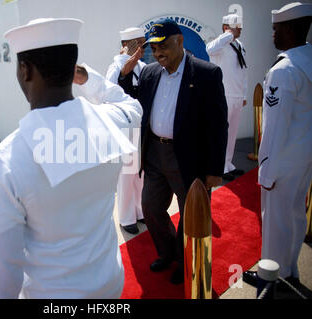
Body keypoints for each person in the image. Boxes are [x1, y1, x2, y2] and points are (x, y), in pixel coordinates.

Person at [0, 18, 143, 298]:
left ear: (25, 70)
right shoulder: (110, 120)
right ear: (73, 68)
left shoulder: (3, 164)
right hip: (110, 285)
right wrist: (88, 78)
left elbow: (0, 275)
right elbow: (132, 107)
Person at [138, 18, 228, 284]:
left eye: (163, 46)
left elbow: (218, 125)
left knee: (191, 215)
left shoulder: (206, 74)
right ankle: (167, 252)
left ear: (180, 40)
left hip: (189, 157)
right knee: (151, 207)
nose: (157, 53)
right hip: (154, 153)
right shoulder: (149, 73)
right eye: (153, 48)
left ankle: (185, 258)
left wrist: (214, 170)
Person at [242, 2, 312, 290]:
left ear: (291, 29)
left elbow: (274, 128)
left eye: (276, 29)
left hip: (282, 161)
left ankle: (271, 277)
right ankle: (290, 268)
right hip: (303, 157)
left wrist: (266, 171)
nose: (272, 35)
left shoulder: (284, 70)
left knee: (273, 222)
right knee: (295, 215)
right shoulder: (308, 58)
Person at [106, 27, 146, 234]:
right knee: (126, 174)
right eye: (138, 43)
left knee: (140, 174)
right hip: (125, 129)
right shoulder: (115, 67)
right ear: (126, 45)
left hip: (142, 127)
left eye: (143, 43)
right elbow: (108, 92)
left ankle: (140, 211)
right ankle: (126, 216)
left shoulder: (143, 66)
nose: (142, 47)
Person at [206, 13, 248, 181]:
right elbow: (209, 49)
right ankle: (220, 167)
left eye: (240, 27)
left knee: (232, 133)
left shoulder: (240, 45)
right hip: (223, 95)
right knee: (221, 133)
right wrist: (228, 35)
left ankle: (228, 164)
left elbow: (244, 71)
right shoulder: (220, 44)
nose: (239, 29)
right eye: (236, 27)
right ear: (226, 28)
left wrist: (244, 93)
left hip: (237, 95)